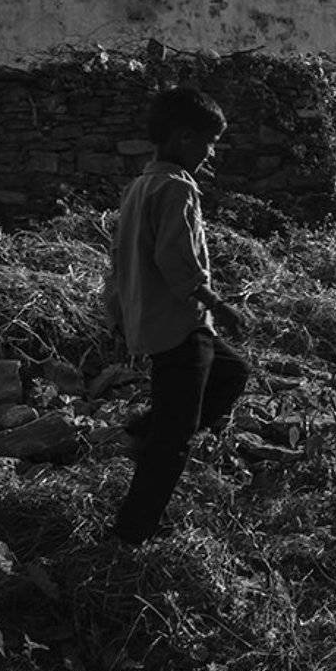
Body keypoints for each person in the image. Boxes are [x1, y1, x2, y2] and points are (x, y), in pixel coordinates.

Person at [103, 87, 250, 545]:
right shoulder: (176, 188)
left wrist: (118, 313)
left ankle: (140, 432)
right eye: (209, 142)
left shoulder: (140, 185)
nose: (211, 153)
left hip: (157, 321)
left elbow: (120, 259)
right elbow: (174, 260)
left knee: (233, 371)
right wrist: (219, 305)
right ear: (185, 137)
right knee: (175, 438)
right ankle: (132, 533)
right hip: (180, 325)